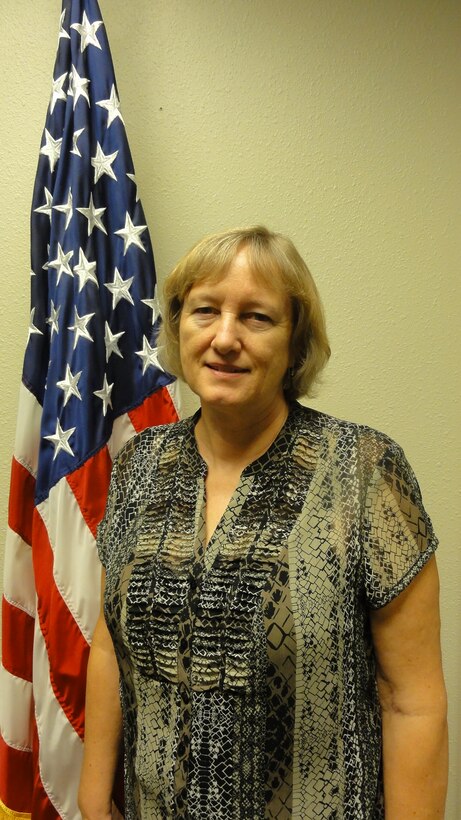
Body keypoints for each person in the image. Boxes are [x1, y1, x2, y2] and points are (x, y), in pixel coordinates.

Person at [78, 226, 448, 819]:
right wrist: (94, 793)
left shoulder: (365, 471)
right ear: (178, 327)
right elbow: (108, 641)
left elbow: (412, 702)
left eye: (256, 317)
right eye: (205, 311)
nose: (225, 338)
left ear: (295, 341)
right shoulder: (141, 464)